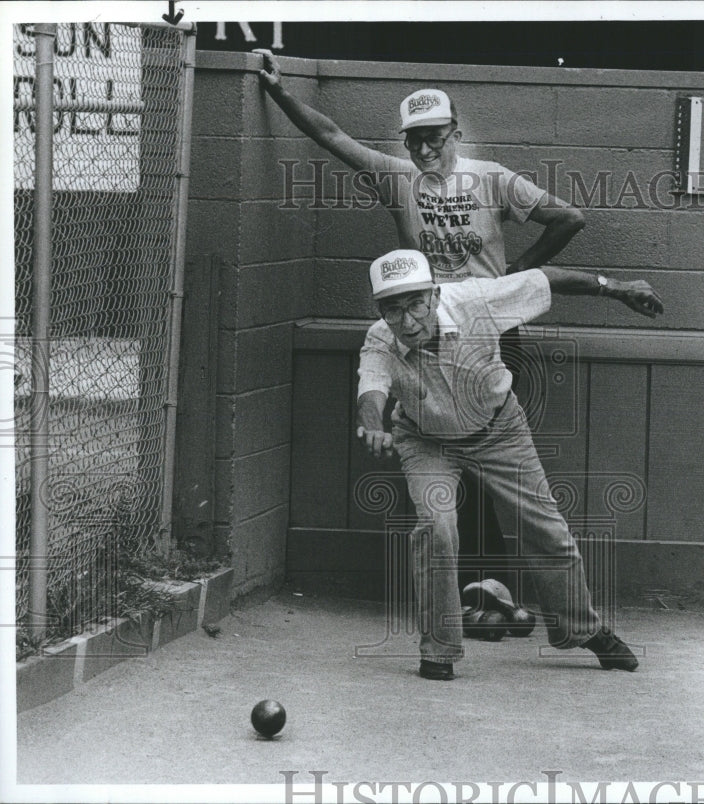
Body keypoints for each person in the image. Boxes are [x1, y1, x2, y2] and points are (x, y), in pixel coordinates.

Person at [256, 50, 587, 599]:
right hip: (421, 329)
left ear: (455, 133)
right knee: (443, 457)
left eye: (436, 137)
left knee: (489, 455)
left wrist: (517, 272)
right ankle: (479, 590)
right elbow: (333, 136)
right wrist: (281, 90)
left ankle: (496, 587)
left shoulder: (493, 180)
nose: (426, 149)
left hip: (488, 330)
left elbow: (569, 218)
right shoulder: (398, 179)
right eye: (415, 140)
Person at [356, 248, 663, 680]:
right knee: (437, 527)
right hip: (427, 442)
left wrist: (617, 288)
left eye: (415, 306)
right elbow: (372, 389)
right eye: (393, 310)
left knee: (547, 530)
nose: (407, 322)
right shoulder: (380, 339)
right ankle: (439, 651)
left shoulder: (476, 301)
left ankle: (587, 630)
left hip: (500, 430)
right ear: (380, 311)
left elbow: (545, 277)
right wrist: (372, 425)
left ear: (435, 294)